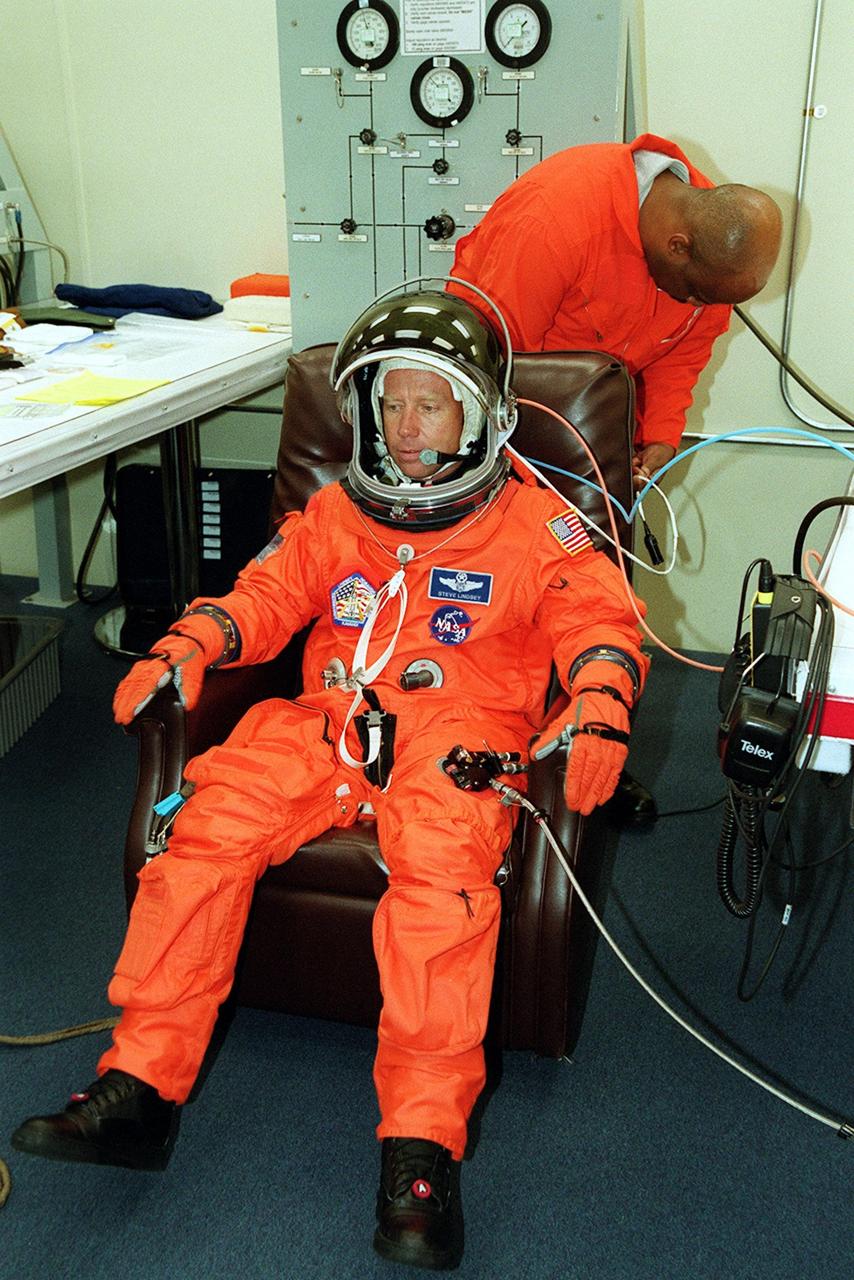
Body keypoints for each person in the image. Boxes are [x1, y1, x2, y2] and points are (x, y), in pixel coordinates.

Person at [11, 289, 648, 1271]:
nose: (404, 425)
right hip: (329, 722)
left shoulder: (537, 522)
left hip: (459, 738)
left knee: (439, 883)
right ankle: (139, 1086)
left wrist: (600, 703)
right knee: (207, 825)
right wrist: (196, 638)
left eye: (428, 402)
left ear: (479, 411)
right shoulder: (334, 511)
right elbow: (265, 593)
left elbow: (598, 620)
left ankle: (420, 1151)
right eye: (388, 403)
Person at [451, 132, 782, 827]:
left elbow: (685, 347)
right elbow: (478, 360)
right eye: (694, 289)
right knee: (507, 610)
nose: (698, 304)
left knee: (596, 615)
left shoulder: (702, 255)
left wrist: (658, 436)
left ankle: (590, 756)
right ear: (678, 247)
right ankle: (488, 753)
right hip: (508, 449)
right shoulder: (556, 216)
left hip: (594, 453)